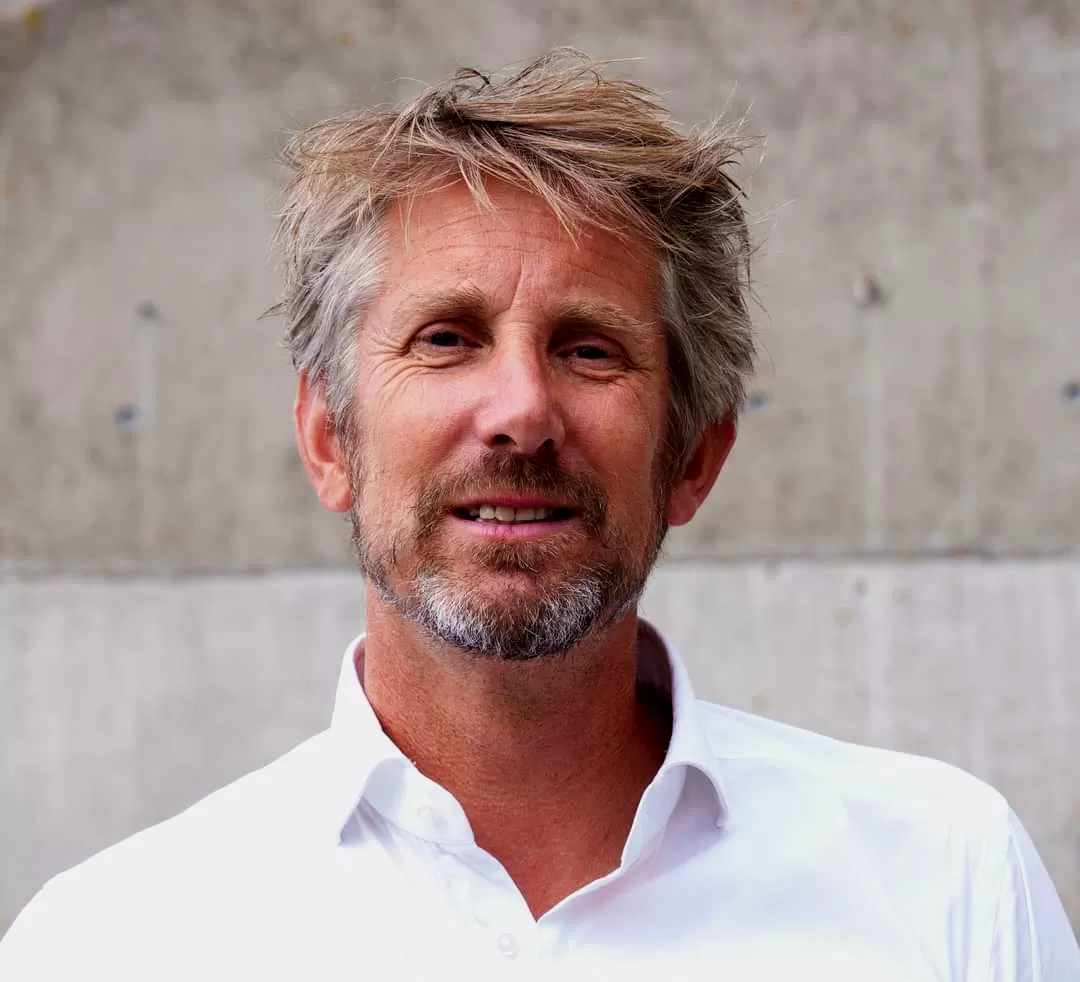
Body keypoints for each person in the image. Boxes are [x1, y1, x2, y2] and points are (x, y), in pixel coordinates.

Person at [2, 49, 1077, 980]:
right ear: (331, 441)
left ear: (693, 457)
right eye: (446, 338)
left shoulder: (944, 878)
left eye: (589, 348)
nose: (521, 412)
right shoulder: (105, 944)